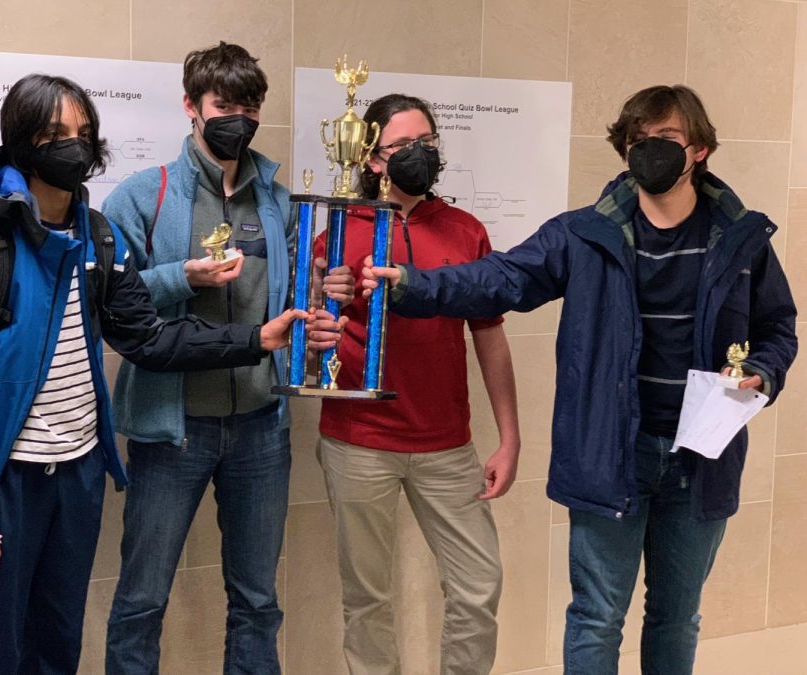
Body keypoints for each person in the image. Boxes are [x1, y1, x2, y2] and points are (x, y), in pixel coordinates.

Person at [363, 85, 798, 675]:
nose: (650, 151)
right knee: (596, 616)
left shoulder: (742, 238)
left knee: (678, 616)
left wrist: (762, 372)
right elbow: (501, 279)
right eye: (638, 141)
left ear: (697, 148)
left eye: (665, 139)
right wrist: (412, 285)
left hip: (702, 457)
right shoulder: (584, 234)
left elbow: (778, 327)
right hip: (609, 451)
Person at [0, 73, 331, 675]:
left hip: (78, 478)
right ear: (20, 142)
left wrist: (252, 339)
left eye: (83, 134)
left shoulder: (98, 237)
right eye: (54, 135)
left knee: (57, 647)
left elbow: (149, 338)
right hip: (5, 484)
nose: (72, 147)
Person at [101, 42, 353, 675]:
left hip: (261, 430)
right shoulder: (139, 196)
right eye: (223, 105)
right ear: (191, 106)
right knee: (140, 602)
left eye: (249, 106)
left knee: (259, 603)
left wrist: (319, 305)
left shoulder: (275, 200)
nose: (237, 118)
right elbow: (113, 305)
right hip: (172, 430)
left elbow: (293, 302)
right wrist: (181, 277)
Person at [315, 93, 521, 675]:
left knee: (478, 587)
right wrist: (319, 323)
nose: (419, 154)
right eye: (403, 146)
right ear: (373, 158)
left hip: (447, 445)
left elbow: (490, 336)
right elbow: (310, 326)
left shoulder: (465, 230)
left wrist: (509, 436)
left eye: (427, 142)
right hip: (358, 441)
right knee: (368, 600)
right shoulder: (338, 225)